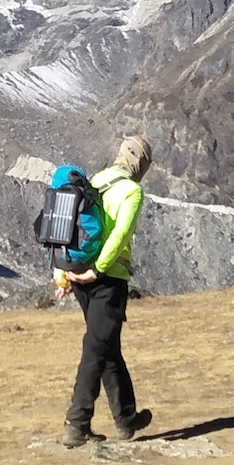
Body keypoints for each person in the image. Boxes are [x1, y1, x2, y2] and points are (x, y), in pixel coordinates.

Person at [62, 137, 154, 446]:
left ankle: (126, 418)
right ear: (140, 163)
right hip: (107, 278)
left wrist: (69, 273)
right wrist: (100, 269)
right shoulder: (132, 191)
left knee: (106, 345)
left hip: (79, 277)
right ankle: (77, 423)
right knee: (96, 349)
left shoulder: (96, 179)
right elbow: (121, 233)